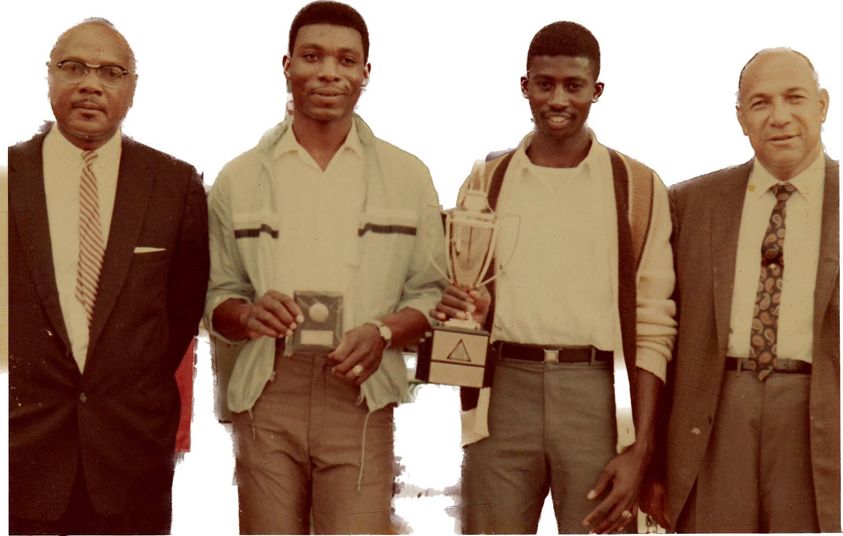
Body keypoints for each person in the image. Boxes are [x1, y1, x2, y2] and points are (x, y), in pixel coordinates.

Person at [204, 2, 445, 533]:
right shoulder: (238, 178)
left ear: (366, 73)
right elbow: (217, 296)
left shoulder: (408, 176)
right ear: (287, 65)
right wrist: (246, 316)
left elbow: (431, 295)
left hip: (359, 387)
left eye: (346, 59)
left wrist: (382, 331)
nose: (329, 72)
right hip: (269, 389)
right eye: (312, 56)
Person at [433, 21, 676, 534]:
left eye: (574, 85)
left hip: (597, 398)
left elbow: (655, 324)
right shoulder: (485, 182)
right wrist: (468, 309)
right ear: (525, 86)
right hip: (503, 396)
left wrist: (642, 447)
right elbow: (464, 296)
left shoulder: (635, 186)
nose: (558, 98)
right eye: (544, 84)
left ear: (597, 91)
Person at [7, 18, 209, 535]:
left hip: (130, 448)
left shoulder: (174, 185)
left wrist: (124, 376)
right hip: (22, 450)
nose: (90, 84)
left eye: (111, 72)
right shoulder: (10, 179)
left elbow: (182, 310)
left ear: (132, 88)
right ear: (49, 77)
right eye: (72, 67)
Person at [643, 48, 839, 533]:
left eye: (794, 98)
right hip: (716, 414)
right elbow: (658, 328)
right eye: (760, 103)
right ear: (741, 118)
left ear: (822, 105)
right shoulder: (690, 203)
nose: (779, 117)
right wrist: (654, 462)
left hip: (820, 414)